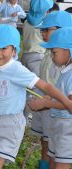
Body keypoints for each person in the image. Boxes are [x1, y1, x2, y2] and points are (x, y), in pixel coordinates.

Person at [0, 24, 72, 169]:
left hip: (11, 123)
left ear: (14, 50)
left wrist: (65, 101)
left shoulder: (17, 70)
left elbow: (45, 86)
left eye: (4, 48)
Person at [30, 11, 72, 169]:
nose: (43, 33)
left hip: (65, 125)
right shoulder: (57, 61)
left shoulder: (68, 71)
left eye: (47, 30)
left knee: (59, 161)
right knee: (48, 148)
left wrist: (48, 103)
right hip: (57, 120)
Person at [21, 0, 55, 76]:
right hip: (37, 57)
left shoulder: (26, 22)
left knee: (25, 81)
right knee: (38, 83)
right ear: (46, 12)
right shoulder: (44, 25)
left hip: (25, 55)